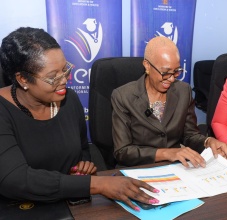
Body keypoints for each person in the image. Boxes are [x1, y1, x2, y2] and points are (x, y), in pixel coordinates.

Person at [0, 27, 159, 211]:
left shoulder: (69, 99)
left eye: (65, 69)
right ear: (22, 80)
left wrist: (83, 165)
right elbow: (16, 179)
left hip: (73, 203)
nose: (64, 80)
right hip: (23, 208)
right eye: (52, 77)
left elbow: (83, 147)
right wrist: (97, 184)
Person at [111, 36, 227, 167]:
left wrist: (208, 142)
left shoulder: (183, 91)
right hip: (139, 168)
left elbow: (190, 136)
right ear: (147, 65)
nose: (171, 79)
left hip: (177, 167)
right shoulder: (123, 96)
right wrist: (167, 153)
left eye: (176, 72)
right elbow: (122, 151)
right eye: (165, 72)